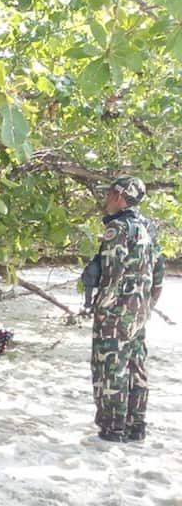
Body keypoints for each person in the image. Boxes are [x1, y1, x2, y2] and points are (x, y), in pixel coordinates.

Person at [89, 175, 164, 442]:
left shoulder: (118, 229)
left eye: (110, 194)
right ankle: (136, 424)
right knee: (135, 365)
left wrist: (101, 306)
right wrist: (146, 307)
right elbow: (159, 274)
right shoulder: (148, 227)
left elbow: (113, 274)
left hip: (116, 311)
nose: (107, 199)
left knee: (110, 367)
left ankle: (113, 426)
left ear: (120, 196)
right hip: (139, 311)